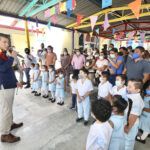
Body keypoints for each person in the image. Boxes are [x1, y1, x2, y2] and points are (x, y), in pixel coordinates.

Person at [0, 33, 23, 143]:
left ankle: (10, 124)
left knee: (9, 108)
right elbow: (3, 68)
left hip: (10, 84)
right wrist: (12, 57)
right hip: (4, 87)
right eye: (4, 42)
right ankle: (5, 133)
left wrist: (16, 81)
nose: (7, 44)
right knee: (6, 110)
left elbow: (9, 70)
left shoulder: (4, 54)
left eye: (7, 42)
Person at [124, 79, 145, 150]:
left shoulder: (137, 100)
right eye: (127, 85)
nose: (127, 87)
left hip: (131, 124)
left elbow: (134, 116)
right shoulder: (131, 94)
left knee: (128, 143)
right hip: (126, 121)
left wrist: (128, 128)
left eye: (130, 86)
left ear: (137, 90)